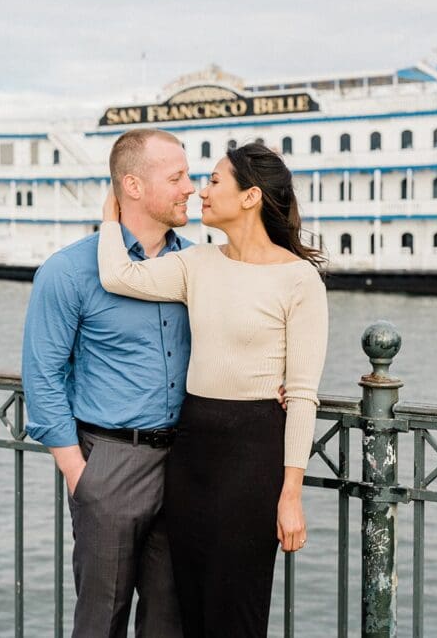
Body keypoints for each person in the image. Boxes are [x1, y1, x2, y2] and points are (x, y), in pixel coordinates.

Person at [96, 142, 329, 637]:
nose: (201, 192)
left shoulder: (299, 280)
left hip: (253, 456)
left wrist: (291, 495)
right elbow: (118, 275)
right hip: (193, 451)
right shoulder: (197, 263)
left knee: (236, 615)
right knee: (192, 610)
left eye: (215, 182)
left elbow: (304, 394)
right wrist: (111, 214)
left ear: (250, 197)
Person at [22, 128, 195, 638]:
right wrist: (81, 476)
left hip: (187, 465)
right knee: (102, 621)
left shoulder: (198, 266)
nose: (190, 187)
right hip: (109, 464)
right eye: (177, 176)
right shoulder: (68, 272)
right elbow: (43, 377)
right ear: (133, 186)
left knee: (171, 622)